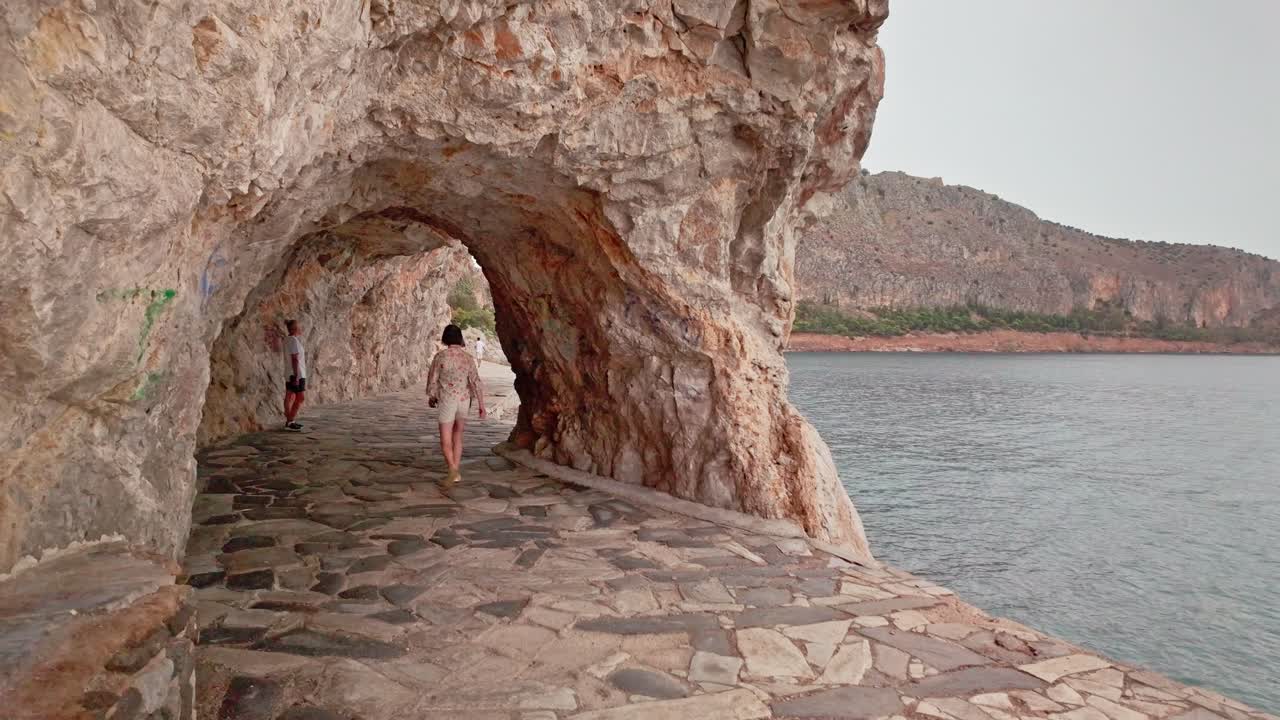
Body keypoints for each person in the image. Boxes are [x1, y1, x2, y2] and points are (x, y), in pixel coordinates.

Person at [427, 324, 486, 485]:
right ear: (460, 338)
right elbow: (476, 382)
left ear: (445, 338)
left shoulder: (440, 357)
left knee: (445, 439)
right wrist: (481, 405)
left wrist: (432, 397)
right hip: (464, 401)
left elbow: (433, 380)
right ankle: (456, 471)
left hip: (447, 400)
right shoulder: (467, 358)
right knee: (458, 435)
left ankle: (452, 470)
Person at [282, 319, 307, 431]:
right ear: (294, 329)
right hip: (297, 373)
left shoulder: (287, 339)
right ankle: (290, 420)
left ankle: (290, 421)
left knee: (289, 396)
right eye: (299, 327)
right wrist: (296, 375)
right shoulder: (293, 340)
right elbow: (295, 359)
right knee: (300, 398)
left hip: (289, 372)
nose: (300, 328)